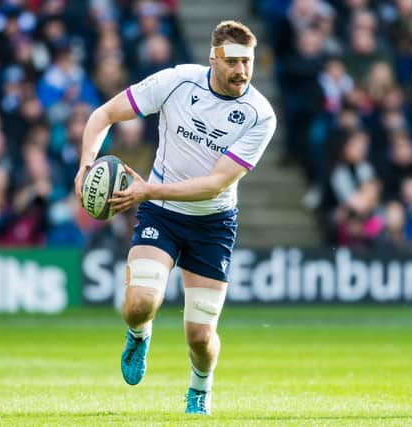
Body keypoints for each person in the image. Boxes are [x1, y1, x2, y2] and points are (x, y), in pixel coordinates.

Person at [74, 20, 276, 415]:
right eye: (232, 61)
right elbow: (102, 115)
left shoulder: (259, 115)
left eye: (247, 62)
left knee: (200, 337)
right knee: (138, 305)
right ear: (213, 58)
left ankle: (200, 388)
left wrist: (148, 189)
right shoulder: (177, 82)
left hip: (213, 224)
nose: (241, 70)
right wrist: (85, 166)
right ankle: (139, 334)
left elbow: (215, 184)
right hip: (163, 215)